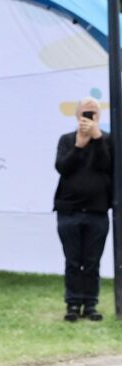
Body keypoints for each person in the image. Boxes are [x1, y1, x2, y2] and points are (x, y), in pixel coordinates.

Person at [54, 97, 112, 322]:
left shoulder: (107, 140)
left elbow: (106, 165)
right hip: (69, 211)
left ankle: (90, 305)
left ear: (99, 116)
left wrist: (96, 139)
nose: (89, 117)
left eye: (93, 113)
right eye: (85, 113)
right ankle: (72, 304)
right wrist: (79, 145)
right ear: (77, 116)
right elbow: (62, 168)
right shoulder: (67, 140)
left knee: (92, 261)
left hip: (97, 212)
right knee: (72, 261)